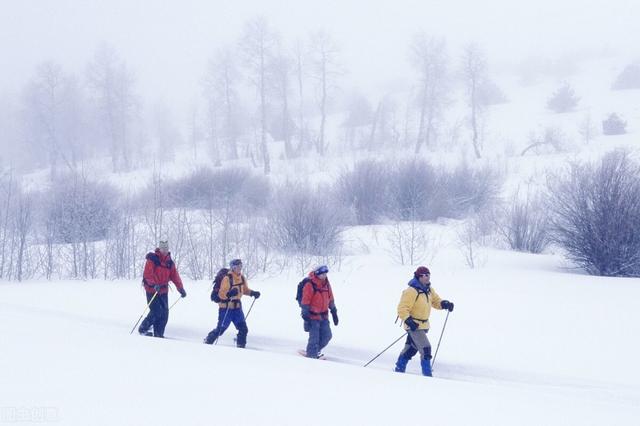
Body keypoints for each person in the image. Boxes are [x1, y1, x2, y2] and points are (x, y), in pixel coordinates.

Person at [395, 266, 454, 377]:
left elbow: (436, 301)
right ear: (419, 276)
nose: (428, 277)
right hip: (414, 326)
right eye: (425, 275)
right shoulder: (411, 291)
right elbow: (402, 308)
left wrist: (445, 304)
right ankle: (427, 376)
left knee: (411, 349)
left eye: (429, 275)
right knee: (426, 349)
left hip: (424, 325)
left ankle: (399, 368)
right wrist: (409, 321)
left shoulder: (429, 289)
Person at [204, 258, 260, 347]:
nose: (239, 268)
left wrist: (252, 293)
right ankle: (208, 342)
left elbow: (244, 290)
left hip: (237, 309)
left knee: (243, 329)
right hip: (226, 308)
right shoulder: (227, 278)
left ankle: (240, 347)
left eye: (240, 266)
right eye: (237, 266)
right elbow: (221, 294)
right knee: (220, 330)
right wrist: (229, 294)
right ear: (232, 267)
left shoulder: (242, 278)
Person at [138, 240, 187, 338]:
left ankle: (159, 334)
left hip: (163, 291)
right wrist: (153, 285)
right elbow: (148, 274)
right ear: (159, 249)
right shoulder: (152, 259)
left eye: (166, 248)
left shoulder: (169, 262)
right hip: (152, 290)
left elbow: (175, 276)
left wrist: (180, 288)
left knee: (164, 314)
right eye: (162, 248)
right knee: (156, 311)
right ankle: (143, 329)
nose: (164, 250)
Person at [300, 265, 339, 359]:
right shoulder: (310, 284)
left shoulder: (326, 284)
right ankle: (311, 357)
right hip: (313, 317)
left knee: (327, 336)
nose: (324, 276)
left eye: (326, 274)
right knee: (314, 339)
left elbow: (331, 299)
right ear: (317, 274)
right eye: (322, 274)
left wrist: (334, 311)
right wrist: (305, 315)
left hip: (324, 317)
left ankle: (313, 351)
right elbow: (305, 301)